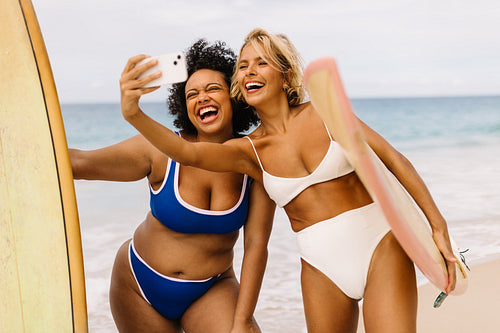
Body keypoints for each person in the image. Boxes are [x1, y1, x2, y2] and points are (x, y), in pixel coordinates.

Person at [121, 29, 458, 333]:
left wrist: (437, 228)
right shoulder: (249, 150)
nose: (249, 71)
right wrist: (134, 113)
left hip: (378, 245)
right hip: (319, 266)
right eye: (243, 66)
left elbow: (393, 159)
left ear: (284, 75)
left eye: (261, 62)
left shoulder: (326, 113)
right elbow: (187, 153)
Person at [70, 39, 275, 333]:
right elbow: (79, 164)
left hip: (211, 288)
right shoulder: (160, 150)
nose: (201, 98)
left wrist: (243, 320)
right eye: (192, 94)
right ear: (184, 105)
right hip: (139, 286)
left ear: (233, 96)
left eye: (213, 89)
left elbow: (256, 245)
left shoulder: (253, 163)